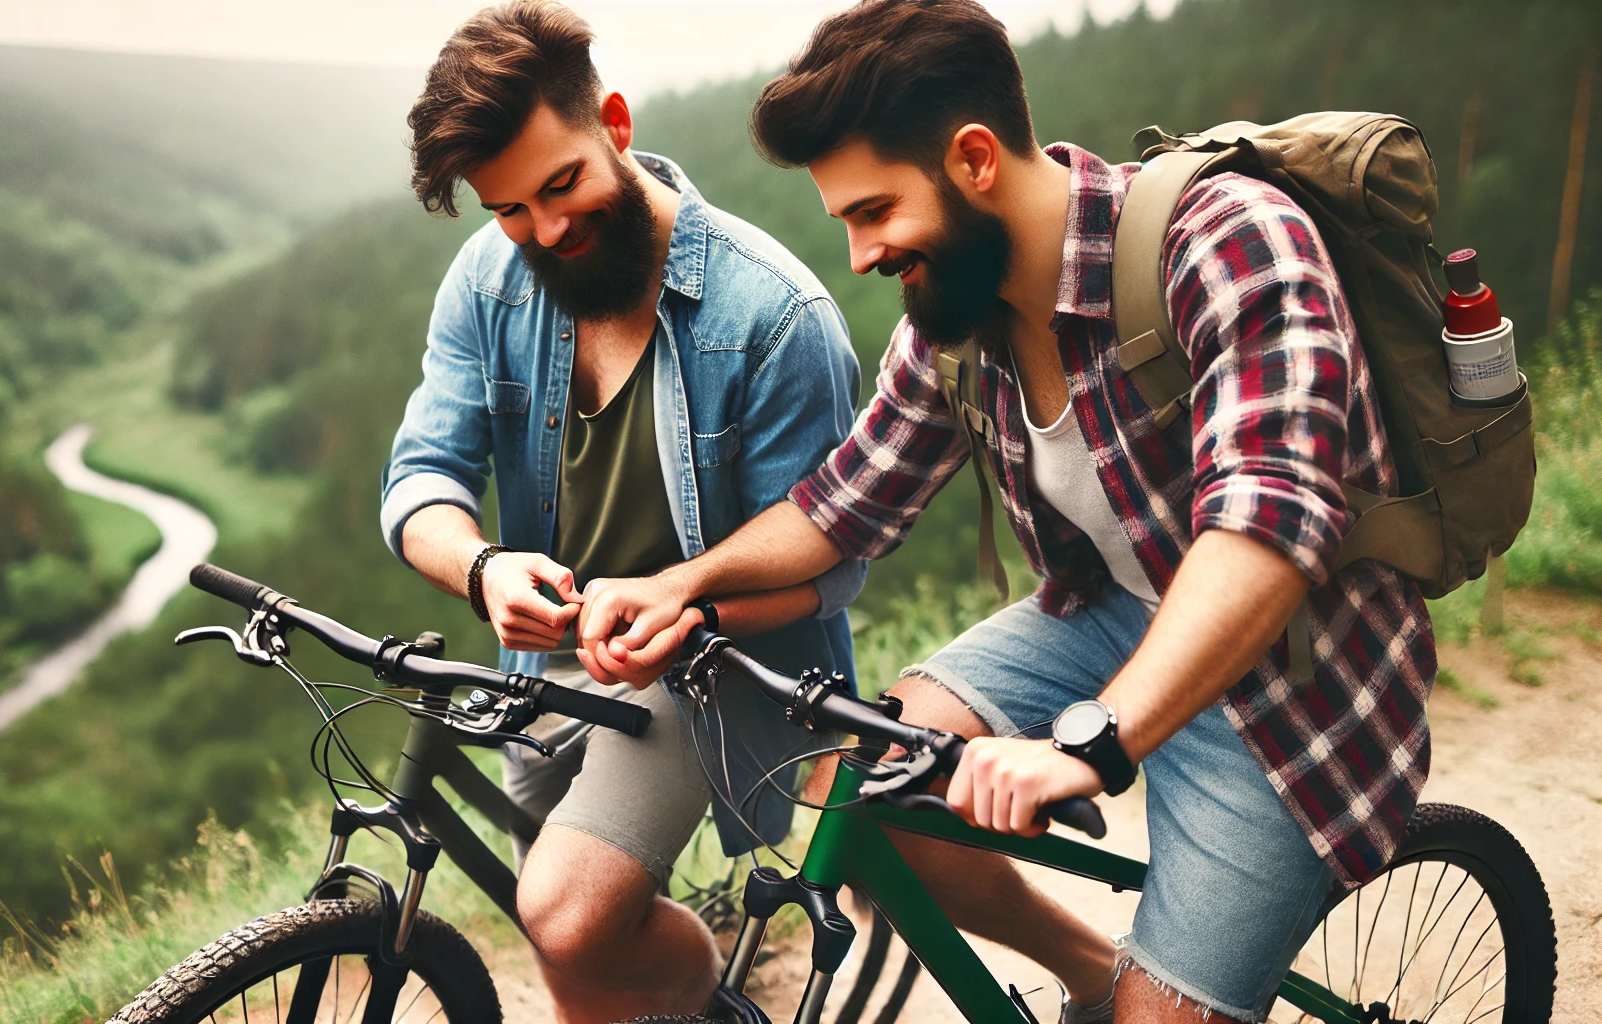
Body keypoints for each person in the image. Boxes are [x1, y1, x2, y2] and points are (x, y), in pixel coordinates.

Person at [574, 2, 1436, 1021]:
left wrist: (1085, 742)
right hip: (1110, 613)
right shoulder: (961, 319)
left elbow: (1264, 536)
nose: (858, 254)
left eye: (872, 211)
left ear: (974, 159)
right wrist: (682, 584)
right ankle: (1090, 971)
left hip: (1292, 680)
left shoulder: (1227, 238)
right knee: (873, 791)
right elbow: (841, 506)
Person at [380, 2, 864, 1019]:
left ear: (614, 119)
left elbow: (831, 569)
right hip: (541, 672)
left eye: (563, 185)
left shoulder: (774, 316)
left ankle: (708, 1004)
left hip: (706, 668)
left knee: (563, 913)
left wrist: (679, 611)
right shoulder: (490, 277)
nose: (547, 231)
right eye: (511, 210)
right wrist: (483, 569)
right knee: (568, 960)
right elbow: (421, 476)